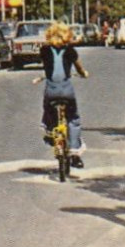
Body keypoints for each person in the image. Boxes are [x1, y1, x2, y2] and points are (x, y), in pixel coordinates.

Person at [35, 22, 88, 167]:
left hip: (51, 91)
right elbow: (79, 68)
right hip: (66, 92)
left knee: (48, 111)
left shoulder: (44, 50)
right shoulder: (70, 51)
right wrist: (83, 73)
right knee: (73, 118)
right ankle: (74, 152)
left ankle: (51, 133)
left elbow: (46, 66)